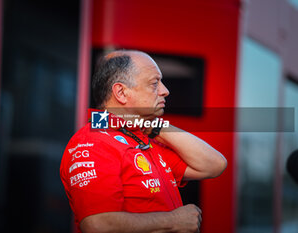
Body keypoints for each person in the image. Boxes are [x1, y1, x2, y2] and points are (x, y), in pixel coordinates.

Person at [60, 50, 227, 233]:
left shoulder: (143, 140)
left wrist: (157, 127)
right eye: (154, 83)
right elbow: (98, 224)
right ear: (121, 92)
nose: (165, 91)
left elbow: (214, 165)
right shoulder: (93, 142)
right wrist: (173, 220)